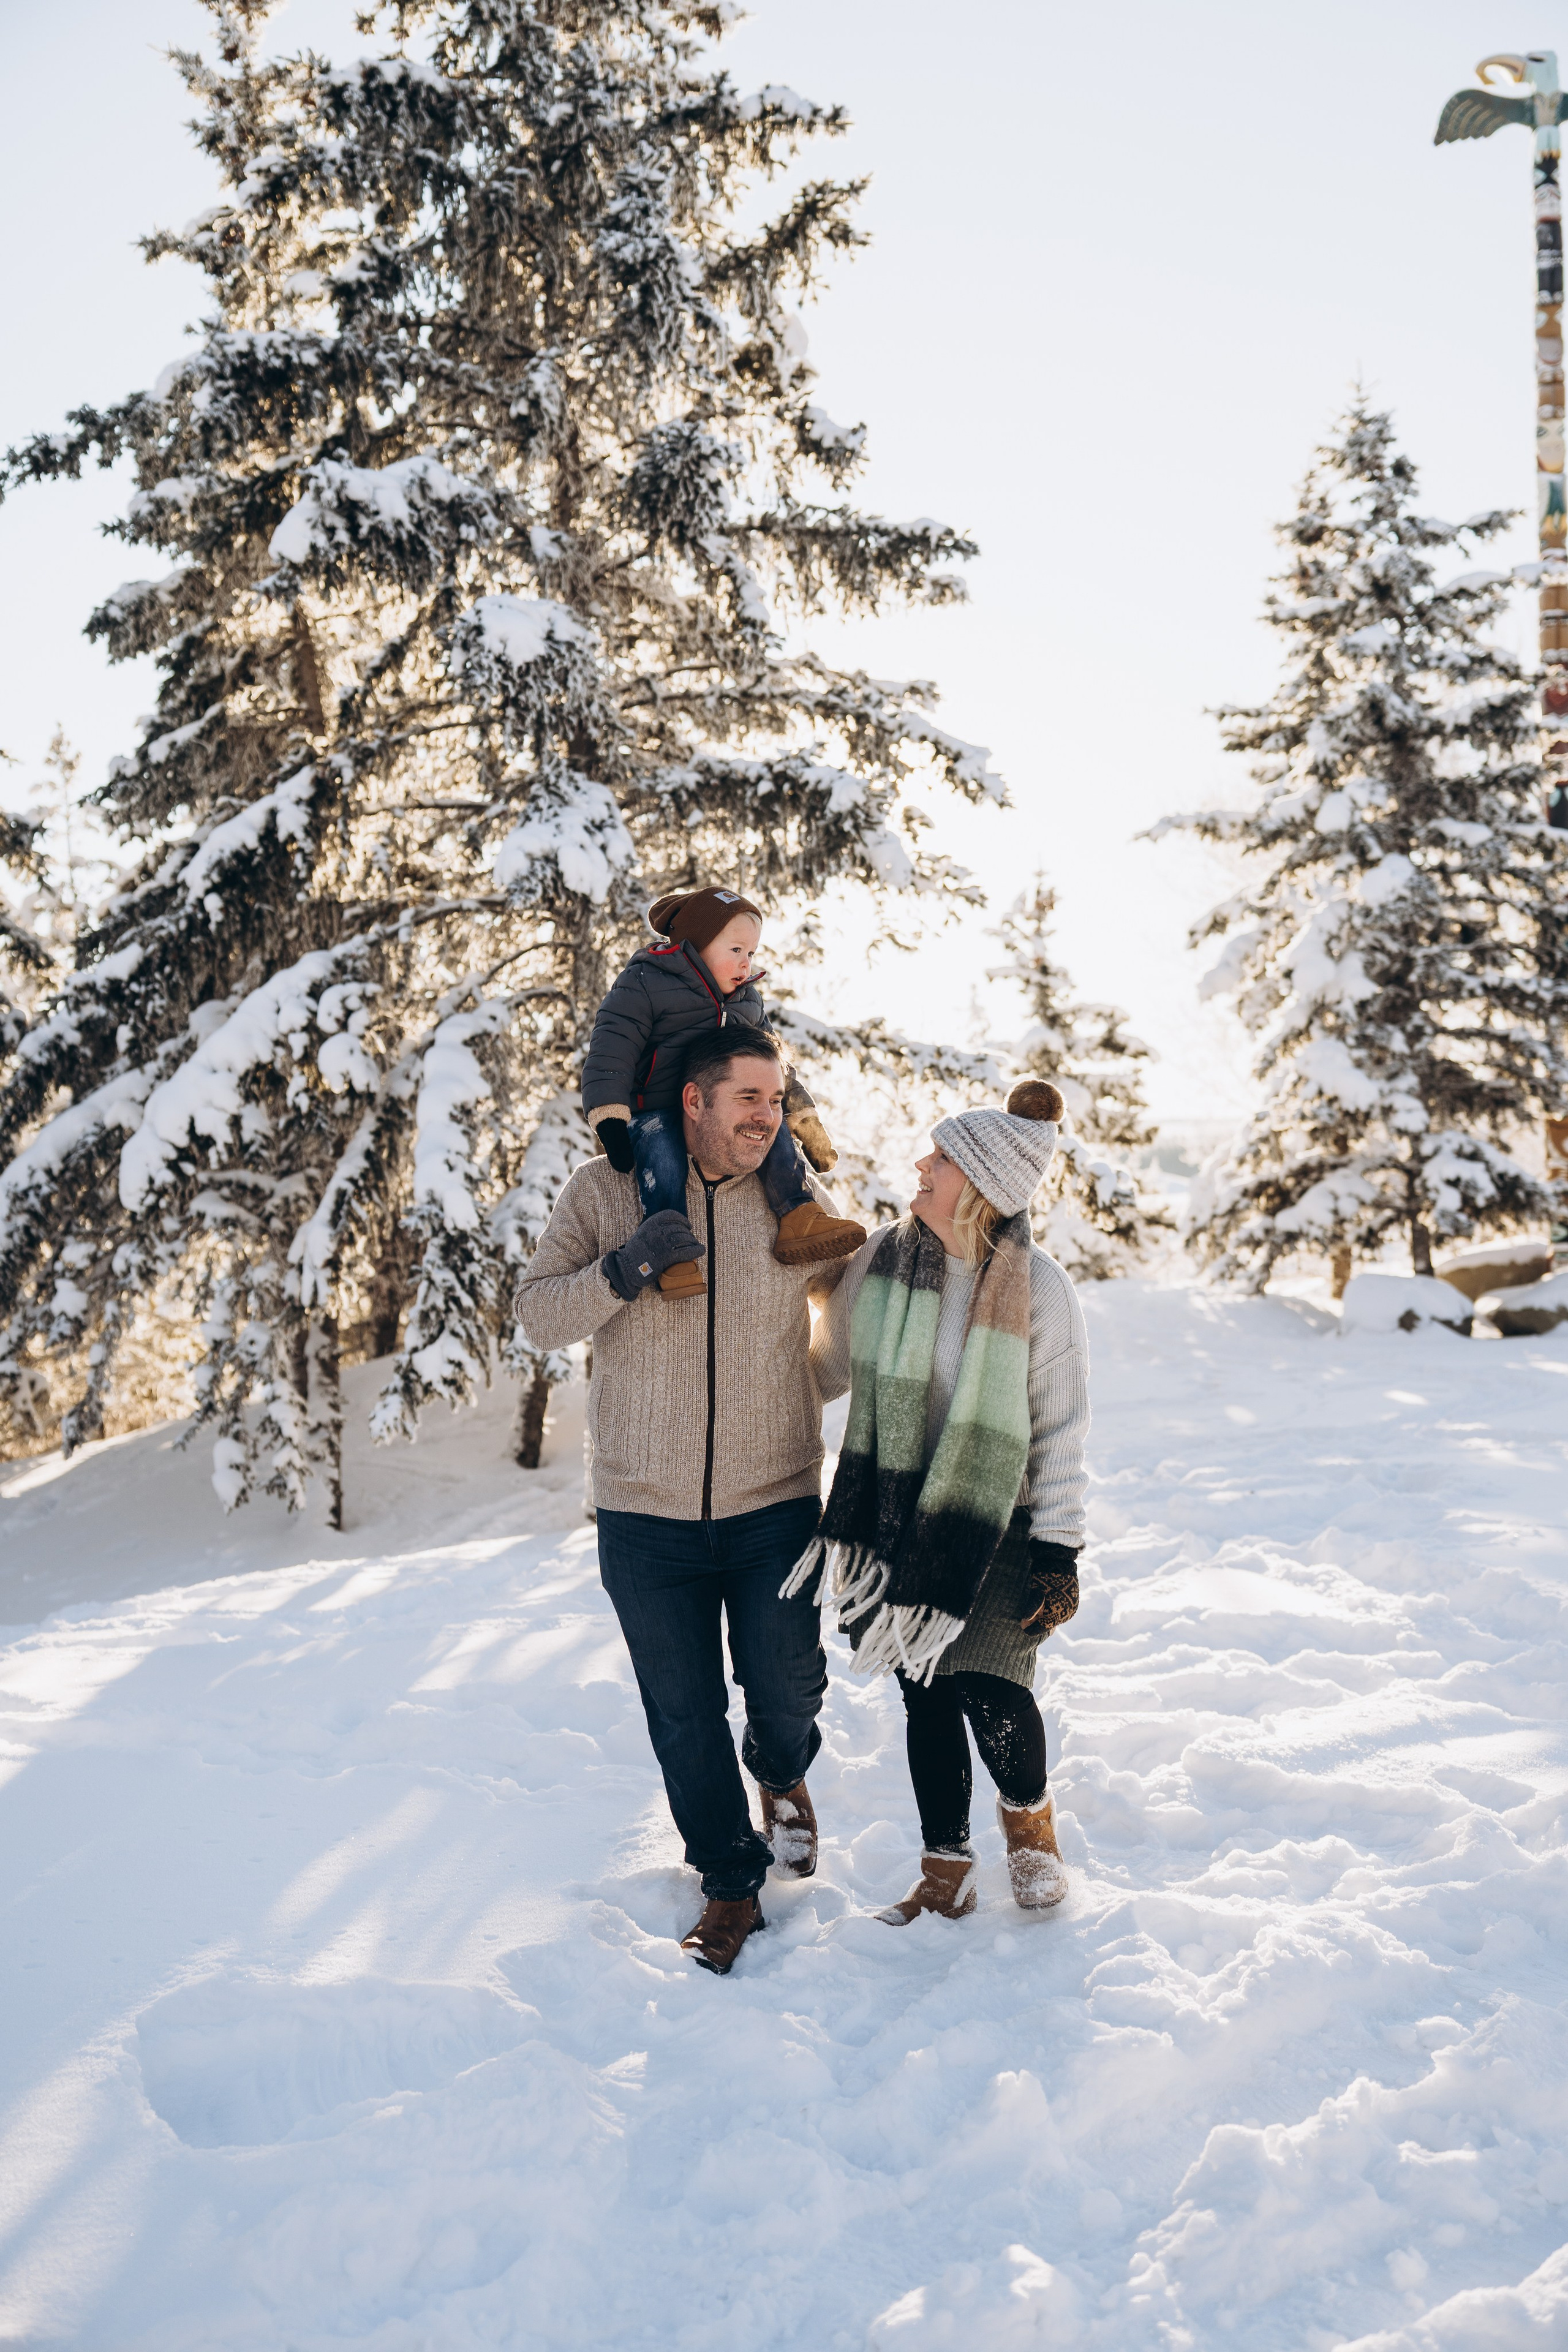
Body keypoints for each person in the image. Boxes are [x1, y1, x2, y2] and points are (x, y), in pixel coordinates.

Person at [514, 1028, 851, 1976]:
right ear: (694, 1102)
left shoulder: (790, 1198)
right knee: (684, 1714)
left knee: (787, 1691)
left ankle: (781, 1774)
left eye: (777, 1100)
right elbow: (538, 1313)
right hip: (643, 1513)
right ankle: (729, 1884)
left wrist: (803, 1385)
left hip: (774, 1500)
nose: (767, 1117)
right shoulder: (603, 1191)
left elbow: (855, 1301)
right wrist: (622, 1269)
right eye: (749, 1097)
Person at [793, 1079, 1088, 1924]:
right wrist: (747, 1402)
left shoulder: (1040, 1290)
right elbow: (827, 1367)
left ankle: (1030, 1831)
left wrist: (1059, 1553)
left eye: (943, 1158)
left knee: (991, 1685)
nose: (921, 1164)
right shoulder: (884, 1263)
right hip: (897, 1515)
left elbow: (1060, 1430)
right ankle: (944, 1866)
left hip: (998, 1522)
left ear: (985, 1185)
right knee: (924, 1687)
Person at [579, 885, 865, 1294]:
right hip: (657, 1107)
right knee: (661, 1158)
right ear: (696, 944)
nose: (746, 963)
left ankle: (798, 1215)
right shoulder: (646, 981)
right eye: (736, 950)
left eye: (751, 954)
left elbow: (775, 1067)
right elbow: (613, 1045)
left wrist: (804, 1119)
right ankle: (670, 1247)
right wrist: (609, 1116)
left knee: (772, 1123)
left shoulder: (747, 1001)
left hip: (723, 1112)